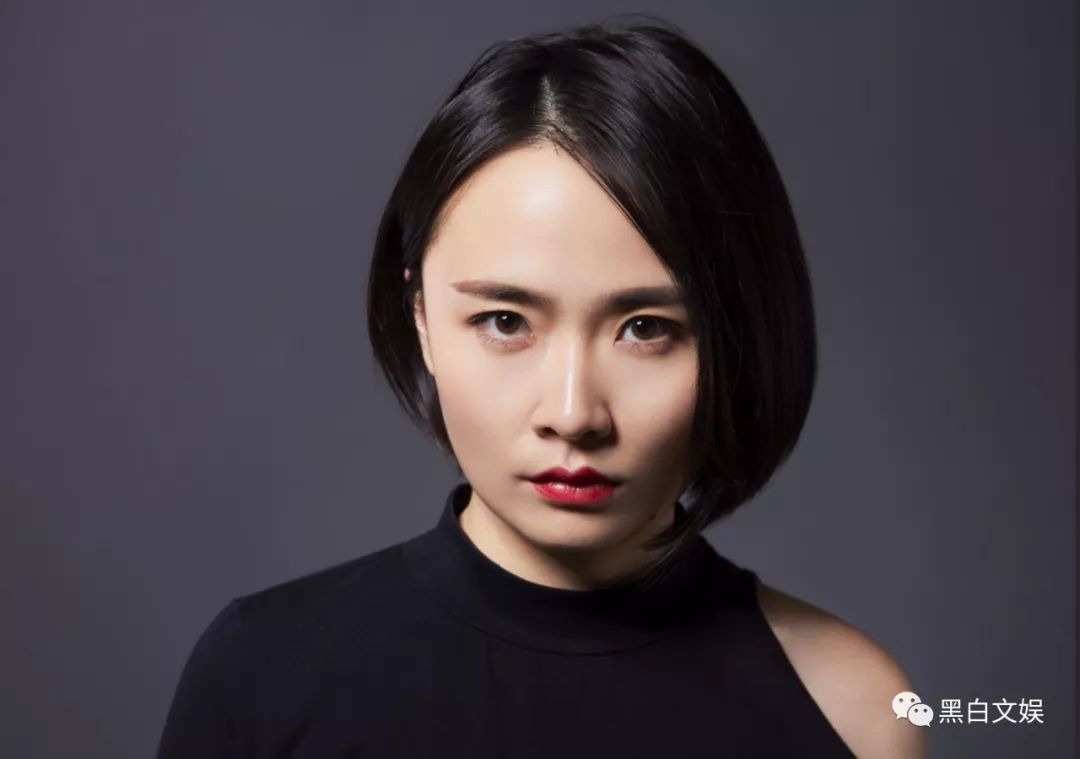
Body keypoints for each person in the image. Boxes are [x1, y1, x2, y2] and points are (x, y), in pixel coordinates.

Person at [157, 16, 925, 758]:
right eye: (504, 321)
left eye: (646, 327)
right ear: (420, 315)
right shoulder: (261, 676)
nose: (572, 413)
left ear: (737, 336)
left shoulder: (856, 709)